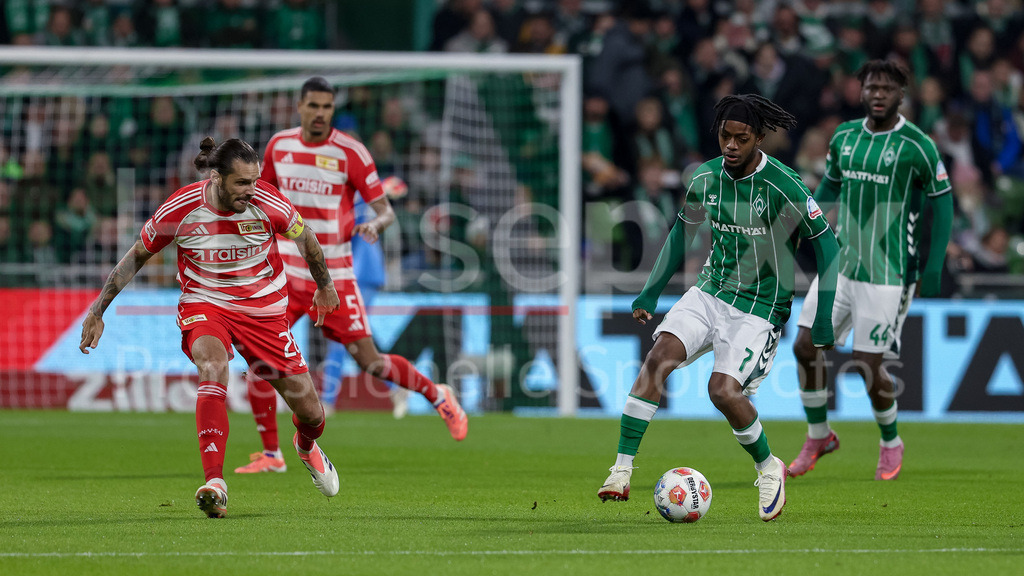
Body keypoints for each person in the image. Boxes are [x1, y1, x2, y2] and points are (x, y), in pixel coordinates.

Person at [597, 94, 840, 522]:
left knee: (722, 392)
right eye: (725, 136)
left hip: (760, 308)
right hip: (710, 291)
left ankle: (768, 468)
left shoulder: (785, 185)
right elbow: (680, 234)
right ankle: (621, 470)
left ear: (759, 138)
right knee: (656, 360)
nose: (730, 145)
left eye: (741, 138)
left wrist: (822, 318)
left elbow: (828, 247)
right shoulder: (705, 178)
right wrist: (650, 292)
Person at [79, 138, 342, 518]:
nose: (250, 191)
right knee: (214, 368)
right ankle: (215, 482)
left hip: (264, 311)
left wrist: (325, 285)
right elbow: (136, 255)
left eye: (254, 181)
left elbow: (308, 241)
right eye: (241, 183)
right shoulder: (182, 207)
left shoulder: (269, 202)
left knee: (313, 414)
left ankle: (305, 446)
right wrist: (98, 310)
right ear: (217, 177)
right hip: (206, 303)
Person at [234, 77, 467, 475]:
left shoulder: (351, 152)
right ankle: (272, 454)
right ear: (300, 106)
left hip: (335, 277)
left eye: (327, 106)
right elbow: (262, 196)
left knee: (370, 361)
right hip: (287, 275)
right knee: (259, 357)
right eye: (314, 106)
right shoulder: (279, 146)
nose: (320, 113)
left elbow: (385, 209)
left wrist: (377, 224)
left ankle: (436, 392)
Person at [788, 60, 954, 481]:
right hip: (842, 264)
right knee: (805, 346)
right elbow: (830, 186)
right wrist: (808, 219)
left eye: (887, 88)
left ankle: (890, 441)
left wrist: (933, 265)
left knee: (866, 361)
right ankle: (819, 435)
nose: (878, 94)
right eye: (871, 87)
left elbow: (943, 203)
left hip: (890, 270)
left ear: (902, 95)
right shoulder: (844, 137)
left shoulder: (918, 146)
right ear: (860, 91)